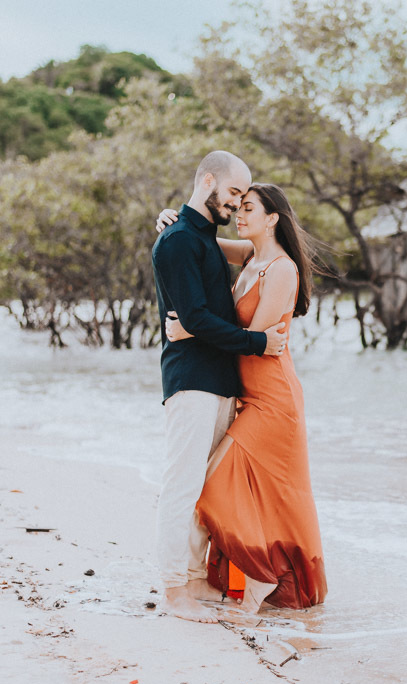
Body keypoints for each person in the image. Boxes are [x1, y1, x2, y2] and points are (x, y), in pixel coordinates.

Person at [157, 183, 327, 613]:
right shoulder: (251, 257)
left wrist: (190, 328)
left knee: (215, 481)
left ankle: (258, 576)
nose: (239, 212)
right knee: (245, 489)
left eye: (249, 207)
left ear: (272, 218)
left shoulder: (282, 270)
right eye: (239, 205)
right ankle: (254, 577)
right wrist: (170, 220)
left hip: (274, 398)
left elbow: (256, 340)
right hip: (246, 396)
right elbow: (200, 241)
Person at [151, 151, 288, 624]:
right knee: (181, 487)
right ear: (207, 180)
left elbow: (212, 312)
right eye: (232, 193)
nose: (235, 204)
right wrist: (260, 342)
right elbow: (194, 319)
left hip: (219, 382)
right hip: (191, 381)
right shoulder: (178, 241)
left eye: (241, 199)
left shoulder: (202, 238)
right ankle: (172, 591)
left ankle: (192, 580)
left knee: (203, 491)